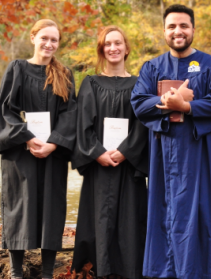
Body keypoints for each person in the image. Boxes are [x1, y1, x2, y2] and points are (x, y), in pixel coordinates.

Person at [130, 4, 211, 279]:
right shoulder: (153, 67)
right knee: (164, 213)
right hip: (163, 155)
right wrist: (167, 101)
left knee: (200, 214)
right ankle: (164, 272)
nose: (178, 31)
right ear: (164, 31)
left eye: (184, 26)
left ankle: (201, 271)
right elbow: (139, 103)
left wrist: (187, 107)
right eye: (172, 26)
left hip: (200, 155)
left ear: (193, 30)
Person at [0, 19, 77, 279]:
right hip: (20, 151)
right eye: (44, 38)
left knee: (51, 205)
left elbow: (70, 114)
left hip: (53, 152)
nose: (49, 44)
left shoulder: (65, 74)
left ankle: (47, 273)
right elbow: (6, 110)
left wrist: (54, 143)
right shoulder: (16, 69)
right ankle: (17, 272)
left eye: (54, 40)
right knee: (20, 205)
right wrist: (27, 137)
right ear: (33, 38)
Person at [71, 25, 149, 279]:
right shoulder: (91, 83)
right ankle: (100, 269)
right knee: (101, 218)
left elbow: (142, 124)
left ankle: (131, 270)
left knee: (130, 219)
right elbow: (83, 124)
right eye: (107, 44)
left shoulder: (139, 84)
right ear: (101, 49)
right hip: (100, 165)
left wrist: (125, 151)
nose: (113, 48)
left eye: (118, 43)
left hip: (128, 165)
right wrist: (97, 152)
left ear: (127, 48)